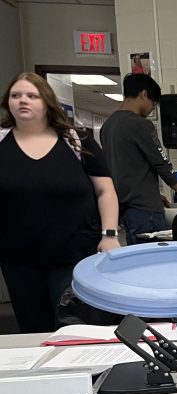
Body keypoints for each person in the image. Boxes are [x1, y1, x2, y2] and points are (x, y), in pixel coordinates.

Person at [0, 73, 120, 333]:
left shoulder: (77, 140)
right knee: (33, 330)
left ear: (47, 102)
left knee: (75, 326)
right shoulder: (2, 143)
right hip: (19, 259)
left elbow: (105, 190)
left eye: (32, 96)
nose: (23, 101)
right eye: (16, 95)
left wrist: (109, 234)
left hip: (74, 254)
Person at [100, 73, 177, 245]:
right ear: (143, 94)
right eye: (153, 103)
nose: (153, 109)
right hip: (146, 212)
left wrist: (155, 194)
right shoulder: (140, 124)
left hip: (124, 210)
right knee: (154, 259)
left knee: (136, 257)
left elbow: (125, 168)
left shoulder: (108, 126)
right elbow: (161, 162)